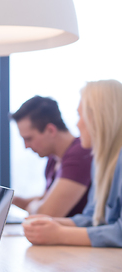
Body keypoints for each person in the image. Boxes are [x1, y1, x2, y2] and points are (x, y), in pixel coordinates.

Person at [23, 80, 122, 247]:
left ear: (99, 117)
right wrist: (50, 224)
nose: (77, 123)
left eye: (80, 115)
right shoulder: (100, 161)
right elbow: (93, 217)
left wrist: (60, 234)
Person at [11, 96, 92, 217]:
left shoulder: (79, 156)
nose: (26, 146)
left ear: (50, 130)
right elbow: (46, 199)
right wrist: (13, 200)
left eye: (29, 139)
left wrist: (34, 206)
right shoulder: (53, 159)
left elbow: (46, 214)